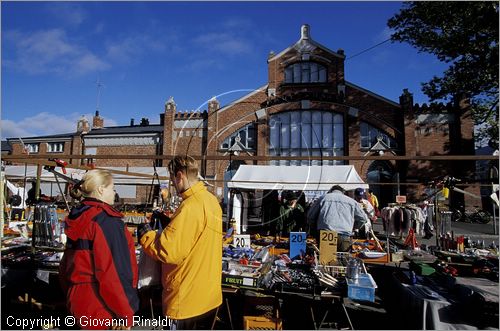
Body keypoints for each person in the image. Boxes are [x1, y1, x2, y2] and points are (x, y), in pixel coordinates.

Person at [138, 155, 222, 330]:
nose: (173, 185)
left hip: (186, 300)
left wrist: (146, 235)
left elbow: (169, 252)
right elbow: (196, 238)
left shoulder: (190, 207)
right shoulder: (210, 200)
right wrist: (170, 224)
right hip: (208, 295)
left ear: (180, 176)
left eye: (172, 179)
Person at [59, 169, 139, 330]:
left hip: (77, 300)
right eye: (112, 188)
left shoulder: (79, 217)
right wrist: (126, 313)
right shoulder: (106, 222)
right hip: (102, 306)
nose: (114, 193)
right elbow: (114, 273)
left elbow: (65, 266)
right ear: (101, 189)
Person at [307, 185, 370, 252]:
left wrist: (314, 227)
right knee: (344, 259)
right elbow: (363, 219)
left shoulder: (323, 198)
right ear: (343, 192)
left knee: (326, 260)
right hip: (344, 235)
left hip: (326, 234)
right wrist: (354, 227)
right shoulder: (351, 201)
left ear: (331, 191)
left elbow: (310, 216)